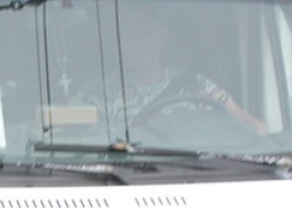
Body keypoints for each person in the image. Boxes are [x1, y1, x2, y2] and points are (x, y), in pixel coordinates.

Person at [112, 23, 267, 137]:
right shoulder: (101, 92)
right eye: (122, 36)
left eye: (136, 34)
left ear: (160, 38)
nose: (126, 43)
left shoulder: (195, 81)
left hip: (204, 168)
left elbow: (251, 124)